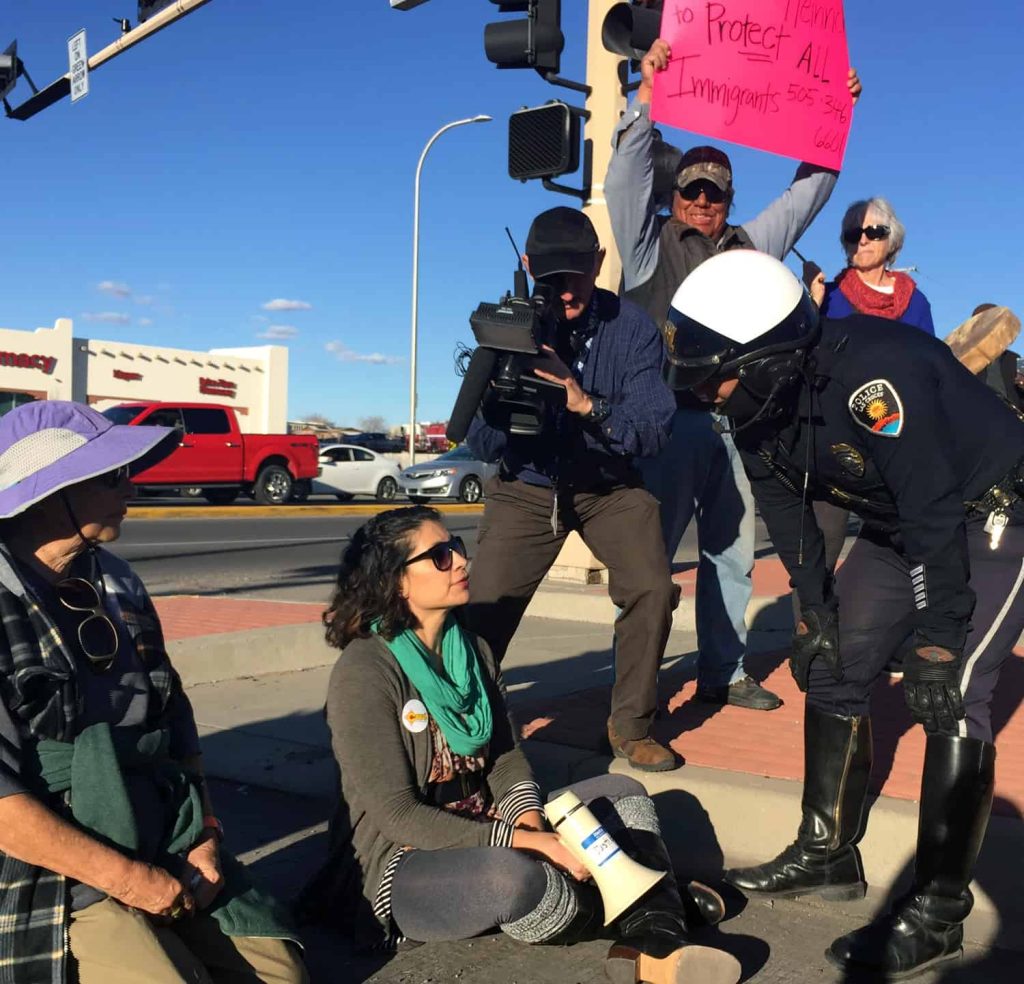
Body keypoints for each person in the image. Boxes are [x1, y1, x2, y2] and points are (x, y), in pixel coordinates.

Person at [661, 250, 1024, 980]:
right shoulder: (755, 402)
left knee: (952, 696)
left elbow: (930, 507)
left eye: (718, 376)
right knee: (832, 665)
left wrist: (937, 643)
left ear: (767, 359)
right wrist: (814, 607)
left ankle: (940, 916)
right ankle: (826, 853)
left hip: (992, 518)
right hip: (899, 522)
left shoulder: (875, 379)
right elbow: (785, 510)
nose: (709, 394)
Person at [302, 506, 740, 984]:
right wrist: (533, 845)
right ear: (396, 580)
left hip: (489, 823)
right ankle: (657, 904)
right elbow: (397, 815)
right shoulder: (366, 671)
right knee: (513, 878)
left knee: (622, 791)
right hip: (403, 860)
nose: (461, 562)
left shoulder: (473, 651)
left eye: (458, 548)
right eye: (440, 556)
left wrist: (529, 819)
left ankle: (652, 939)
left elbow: (506, 756)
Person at [0, 401, 307, 984]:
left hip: (158, 827)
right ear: (50, 490)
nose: (132, 487)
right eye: (114, 475)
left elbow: (175, 721)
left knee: (279, 973)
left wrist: (206, 835)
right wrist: (127, 880)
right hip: (46, 860)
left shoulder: (117, 580)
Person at [605, 38, 862, 712]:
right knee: (651, 564)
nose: (700, 200)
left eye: (713, 193)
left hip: (738, 428)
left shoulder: (752, 244)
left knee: (732, 556)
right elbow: (622, 178)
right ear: (676, 192)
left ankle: (725, 671)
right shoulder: (646, 244)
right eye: (690, 188)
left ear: (727, 198)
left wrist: (835, 113)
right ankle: (638, 685)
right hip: (664, 426)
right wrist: (646, 97)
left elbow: (806, 196)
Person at [462, 207, 679, 772]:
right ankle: (465, 728)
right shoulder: (505, 328)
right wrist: (504, 405)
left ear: (599, 264)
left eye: (576, 276)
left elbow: (653, 429)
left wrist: (584, 403)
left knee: (651, 589)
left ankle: (630, 725)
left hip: (607, 483)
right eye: (549, 279)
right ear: (527, 266)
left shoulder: (632, 330)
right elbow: (480, 442)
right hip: (528, 483)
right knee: (482, 611)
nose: (562, 293)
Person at [821, 197, 934, 334]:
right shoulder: (827, 297)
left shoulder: (916, 303)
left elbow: (928, 355)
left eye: (873, 232)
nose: (862, 241)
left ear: (892, 239)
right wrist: (814, 301)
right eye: (854, 234)